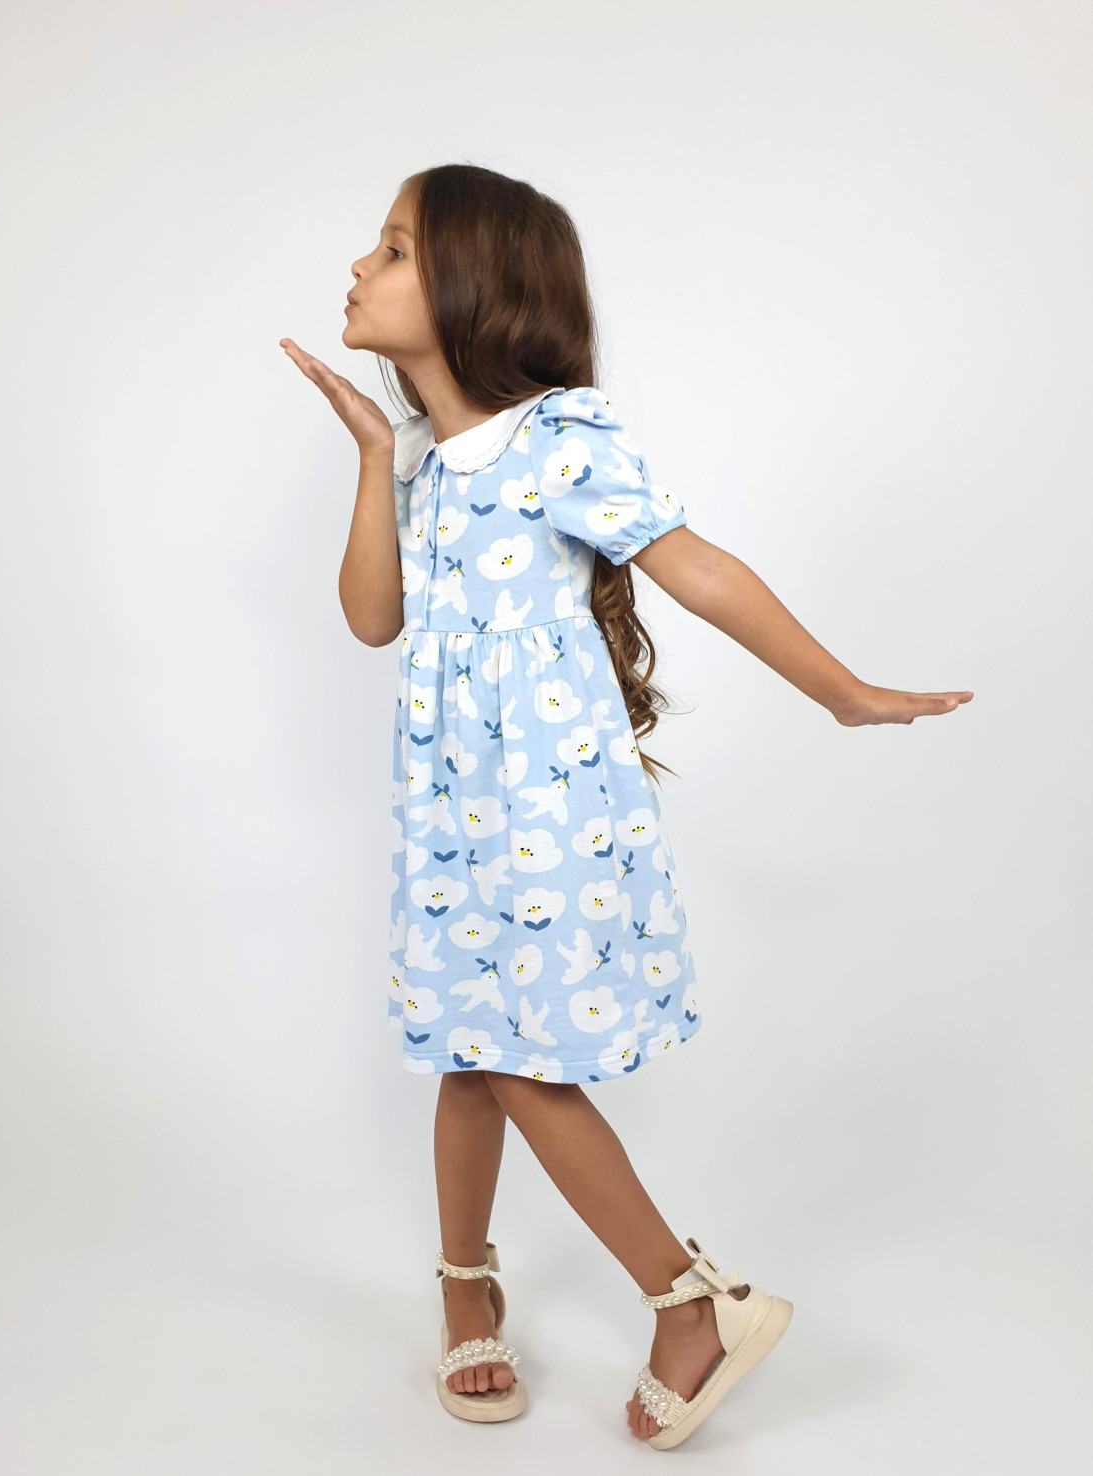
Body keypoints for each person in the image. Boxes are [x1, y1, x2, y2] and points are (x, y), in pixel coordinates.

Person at [279, 162, 973, 1450]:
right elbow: (374, 619)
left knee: (515, 1055)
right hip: (450, 818)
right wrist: (375, 456)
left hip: (545, 813)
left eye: (393, 248)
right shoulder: (424, 461)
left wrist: (843, 693)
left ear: (474, 284)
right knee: (465, 1051)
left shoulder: (559, 437)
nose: (359, 269)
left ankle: (689, 1302)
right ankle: (467, 1283)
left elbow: (696, 567)